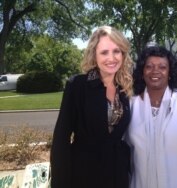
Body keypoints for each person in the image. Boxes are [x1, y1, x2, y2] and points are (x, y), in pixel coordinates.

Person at [50, 26, 134, 188]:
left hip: (117, 175)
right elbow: (61, 139)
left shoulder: (124, 88)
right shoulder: (78, 86)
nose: (111, 58)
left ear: (123, 54)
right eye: (104, 52)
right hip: (84, 174)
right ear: (94, 55)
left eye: (116, 51)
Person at [126, 46, 177, 188]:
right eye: (149, 67)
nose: (155, 71)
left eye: (162, 67)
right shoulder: (131, 105)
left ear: (170, 72)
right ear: (142, 72)